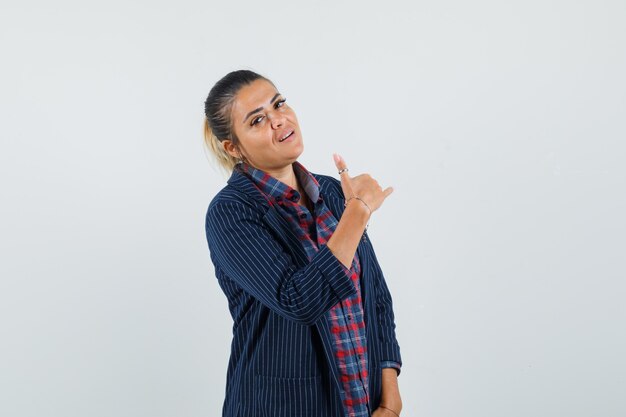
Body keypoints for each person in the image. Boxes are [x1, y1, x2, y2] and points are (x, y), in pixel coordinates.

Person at [203, 69, 403, 417]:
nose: (279, 120)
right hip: (280, 406)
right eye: (258, 120)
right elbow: (299, 301)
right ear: (233, 147)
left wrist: (390, 397)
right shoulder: (231, 212)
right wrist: (358, 211)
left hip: (363, 403)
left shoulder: (332, 192)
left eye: (279, 103)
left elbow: (376, 298)